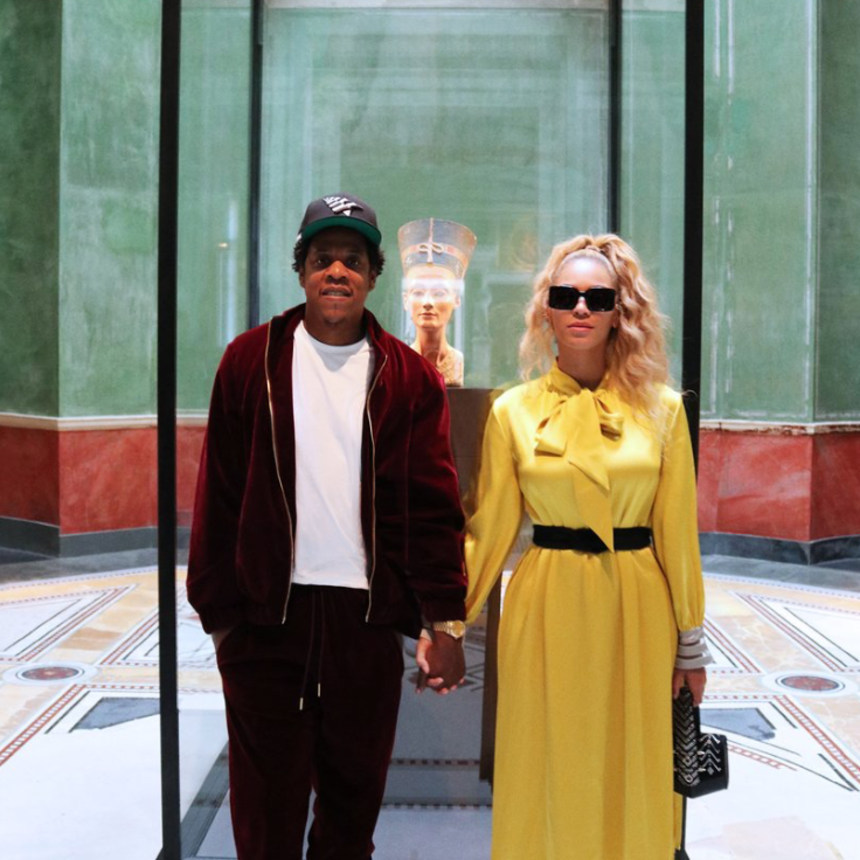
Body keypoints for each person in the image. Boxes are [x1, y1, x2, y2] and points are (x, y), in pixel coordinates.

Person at [186, 193, 467, 860]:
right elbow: (218, 493)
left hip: (364, 628)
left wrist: (445, 622)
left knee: (350, 816)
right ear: (302, 270)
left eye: (351, 260)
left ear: (372, 276)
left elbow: (433, 506)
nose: (336, 271)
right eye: (322, 258)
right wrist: (222, 621)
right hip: (265, 623)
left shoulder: (409, 379)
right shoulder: (249, 361)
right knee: (265, 822)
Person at [464, 234, 713, 860]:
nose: (580, 308)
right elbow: (490, 529)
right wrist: (447, 621)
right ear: (545, 309)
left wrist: (691, 643)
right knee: (546, 756)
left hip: (637, 603)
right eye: (565, 296)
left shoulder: (662, 411)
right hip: (546, 602)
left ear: (618, 312)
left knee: (633, 758)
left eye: (597, 298)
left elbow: (678, 533)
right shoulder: (512, 412)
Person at [399, 218, 477, 387]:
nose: (427, 302)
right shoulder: (398, 364)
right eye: (418, 292)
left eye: (439, 293)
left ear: (456, 300)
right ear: (406, 300)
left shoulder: (461, 363)